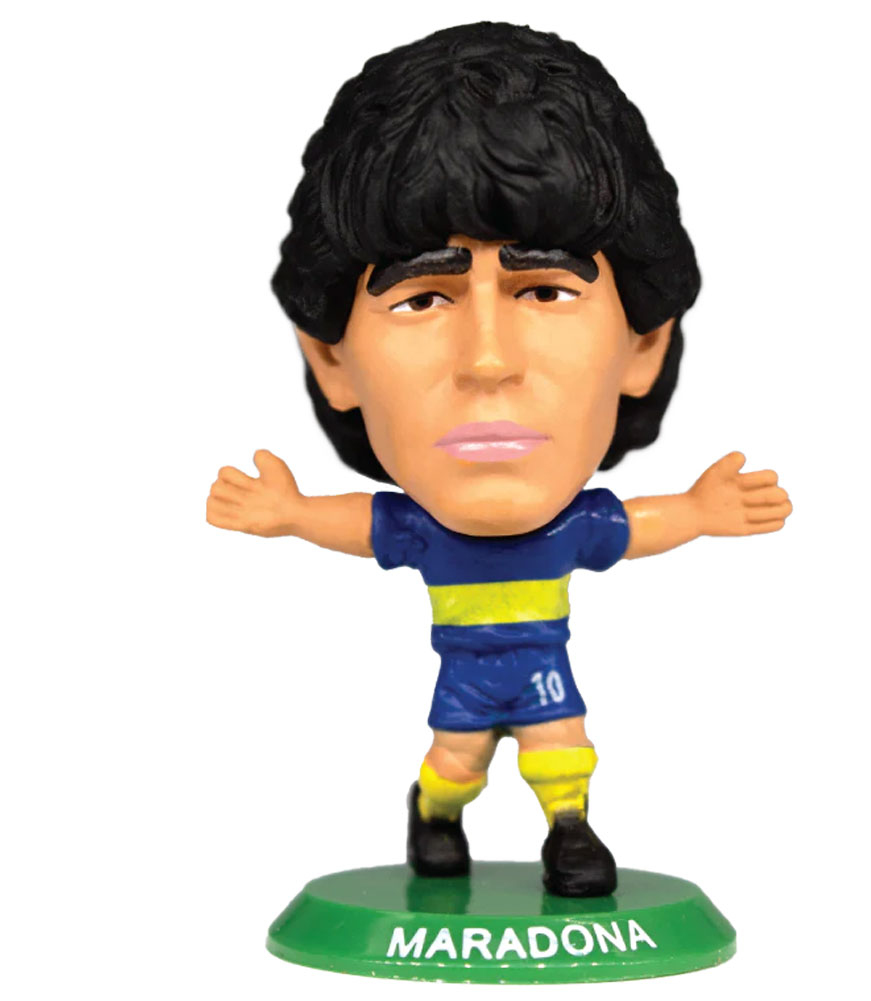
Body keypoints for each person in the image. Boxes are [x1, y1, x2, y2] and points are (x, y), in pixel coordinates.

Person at [206, 22, 791, 897]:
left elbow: (638, 525)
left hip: (542, 666)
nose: (487, 359)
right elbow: (361, 525)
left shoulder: (573, 529)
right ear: (332, 358)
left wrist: (703, 513)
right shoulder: (421, 533)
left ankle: (570, 830)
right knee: (456, 761)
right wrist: (289, 514)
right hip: (465, 677)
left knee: (562, 744)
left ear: (644, 342)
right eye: (423, 298)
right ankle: (435, 814)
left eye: (545, 290)